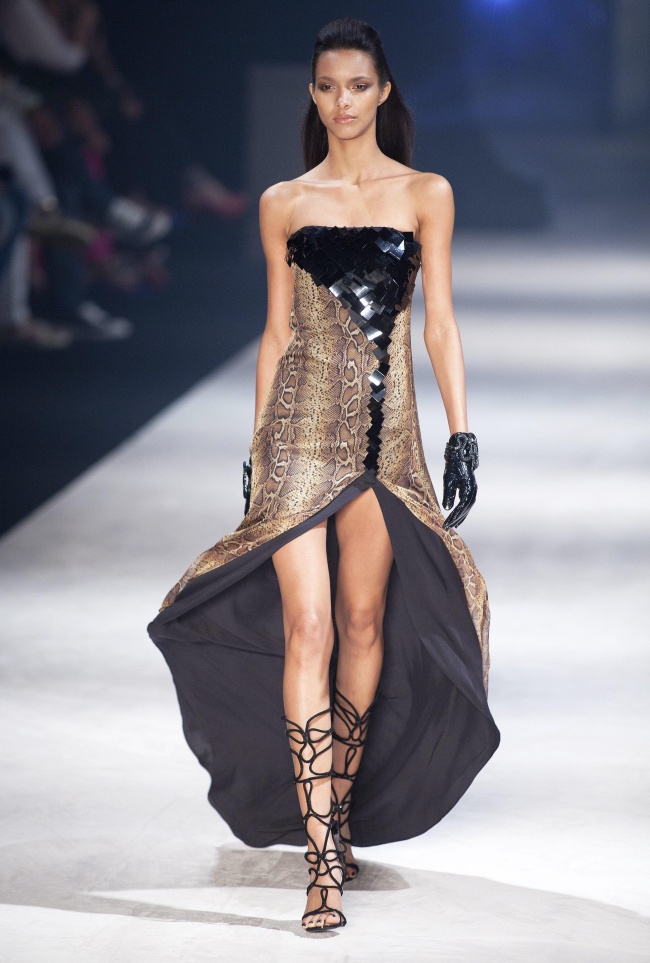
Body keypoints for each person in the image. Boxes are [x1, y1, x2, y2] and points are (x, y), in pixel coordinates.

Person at [147, 17, 500, 933]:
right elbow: (276, 334)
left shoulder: (426, 193)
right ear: (312, 94)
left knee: (363, 620)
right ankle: (320, 857)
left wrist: (462, 434)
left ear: (384, 91)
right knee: (308, 626)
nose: (343, 102)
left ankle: (335, 804)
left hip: (387, 438)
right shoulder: (283, 202)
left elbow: (440, 321)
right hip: (301, 431)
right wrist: (257, 447)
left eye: (358, 85)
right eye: (328, 87)